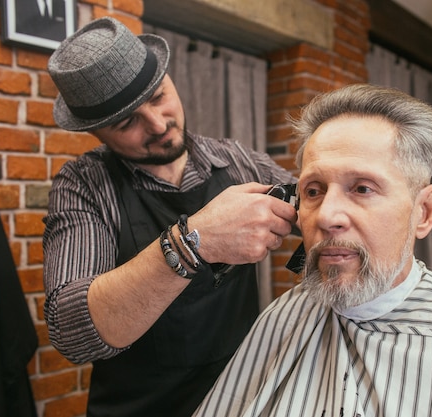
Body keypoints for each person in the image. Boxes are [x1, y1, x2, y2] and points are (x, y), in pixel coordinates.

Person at [193, 84, 432, 417]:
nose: (327, 216)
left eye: (362, 189)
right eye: (314, 191)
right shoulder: (281, 318)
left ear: (424, 212)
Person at [42, 17, 297, 417]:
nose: (159, 125)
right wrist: (193, 240)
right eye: (127, 122)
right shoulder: (85, 184)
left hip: (241, 398)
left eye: (159, 97)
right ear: (96, 133)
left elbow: (314, 205)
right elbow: (74, 332)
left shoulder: (236, 159)